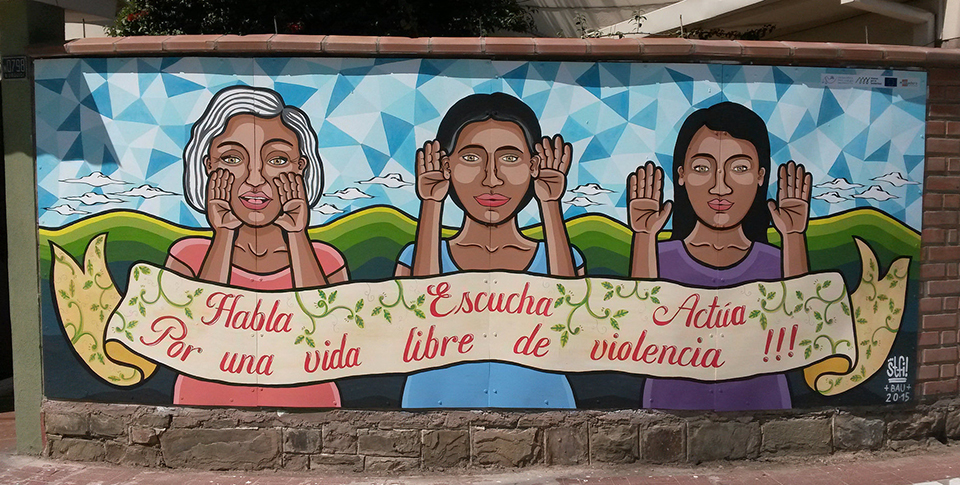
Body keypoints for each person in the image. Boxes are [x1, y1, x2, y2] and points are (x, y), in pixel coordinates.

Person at [395, 92, 584, 408]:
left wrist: (550, 203)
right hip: (427, 411)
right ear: (447, 165)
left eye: (510, 158)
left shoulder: (561, 257)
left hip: (550, 408)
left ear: (534, 165)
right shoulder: (415, 258)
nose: (491, 178)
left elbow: (570, 325)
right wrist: (430, 203)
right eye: (471, 158)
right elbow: (419, 327)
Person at [165, 86, 348, 408]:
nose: (255, 179)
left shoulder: (324, 260)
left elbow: (327, 339)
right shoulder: (187, 257)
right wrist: (222, 235)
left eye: (277, 159)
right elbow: (195, 338)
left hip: (314, 406)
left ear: (300, 167)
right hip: (200, 405)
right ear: (209, 165)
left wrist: (297, 235)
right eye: (232, 158)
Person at [627, 101, 812, 411]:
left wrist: (794, 238)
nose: (720, 186)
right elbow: (637, 330)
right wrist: (643, 238)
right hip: (665, 406)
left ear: (760, 176)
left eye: (740, 168)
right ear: (681, 174)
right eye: (702, 167)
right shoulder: (657, 256)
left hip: (768, 406)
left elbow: (804, 330)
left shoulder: (775, 260)